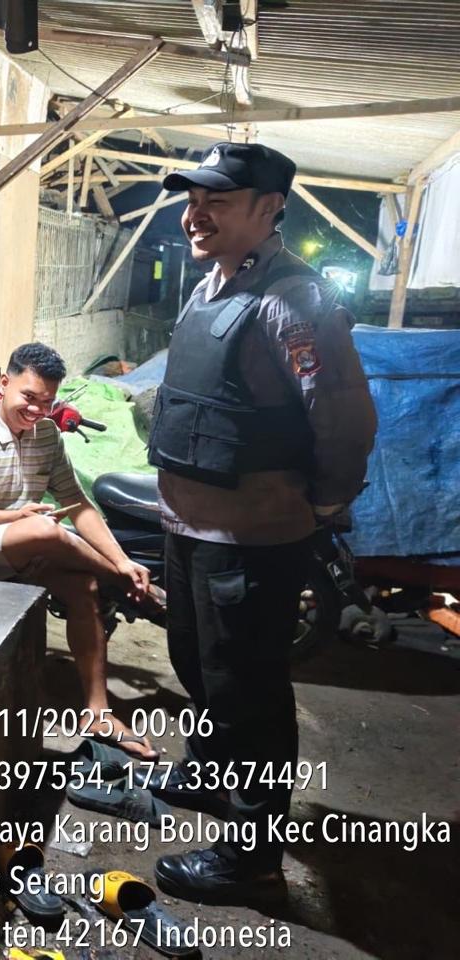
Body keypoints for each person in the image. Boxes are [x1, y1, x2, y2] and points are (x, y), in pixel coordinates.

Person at [147, 143, 376, 903]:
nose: (196, 215)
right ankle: (212, 773)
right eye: (192, 200)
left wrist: (324, 506)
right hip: (190, 527)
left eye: (217, 200)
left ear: (270, 207)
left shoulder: (294, 300)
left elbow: (344, 420)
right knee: (198, 666)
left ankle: (251, 860)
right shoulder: (210, 284)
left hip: (249, 539)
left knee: (250, 694)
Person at [0, 342, 159, 759]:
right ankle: (123, 580)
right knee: (44, 528)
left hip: (25, 547)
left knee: (84, 587)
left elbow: (79, 504)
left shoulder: (47, 434)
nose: (36, 409)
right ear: (4, 383)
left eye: (47, 402)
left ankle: (97, 711)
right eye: (28, 397)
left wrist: (122, 556)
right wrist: (13, 518)